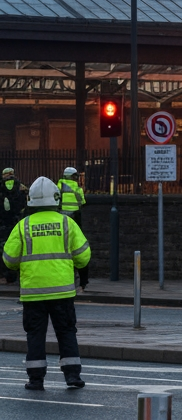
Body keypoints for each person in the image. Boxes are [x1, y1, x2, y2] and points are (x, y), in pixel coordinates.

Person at [3, 177, 91, 390]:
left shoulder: (23, 225)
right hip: (62, 291)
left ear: (30, 200)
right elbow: (84, 256)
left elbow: (9, 259)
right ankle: (72, 377)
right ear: (56, 199)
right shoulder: (66, 222)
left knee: (35, 335)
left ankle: (36, 379)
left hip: (33, 293)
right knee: (66, 332)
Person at [1, 167, 27, 285]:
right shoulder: (21, 187)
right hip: (17, 222)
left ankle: (3, 276)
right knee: (19, 248)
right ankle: (15, 275)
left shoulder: (0, 187)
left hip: (2, 224)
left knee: (3, 249)